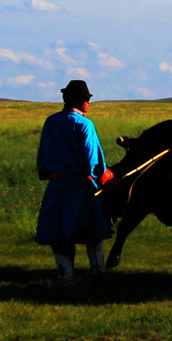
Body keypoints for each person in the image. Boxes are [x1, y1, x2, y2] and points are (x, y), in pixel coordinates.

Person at [36, 79, 113, 287]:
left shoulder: (51, 122)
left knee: (58, 233)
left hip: (57, 186)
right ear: (75, 100)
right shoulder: (84, 124)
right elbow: (92, 158)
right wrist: (102, 175)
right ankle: (97, 271)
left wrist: (46, 172)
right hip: (81, 186)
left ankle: (65, 277)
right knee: (92, 230)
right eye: (86, 99)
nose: (88, 103)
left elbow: (43, 155)